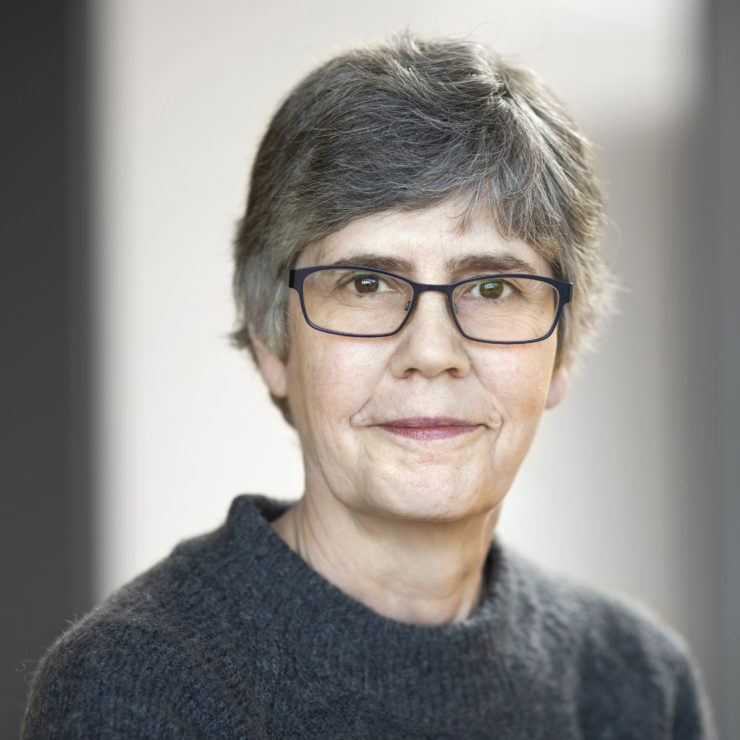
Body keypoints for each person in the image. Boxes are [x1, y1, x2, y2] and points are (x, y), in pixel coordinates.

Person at [22, 34, 714, 738]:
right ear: (271, 339)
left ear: (562, 349)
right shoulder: (136, 687)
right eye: (365, 283)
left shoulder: (638, 682)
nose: (432, 353)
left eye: (493, 286)